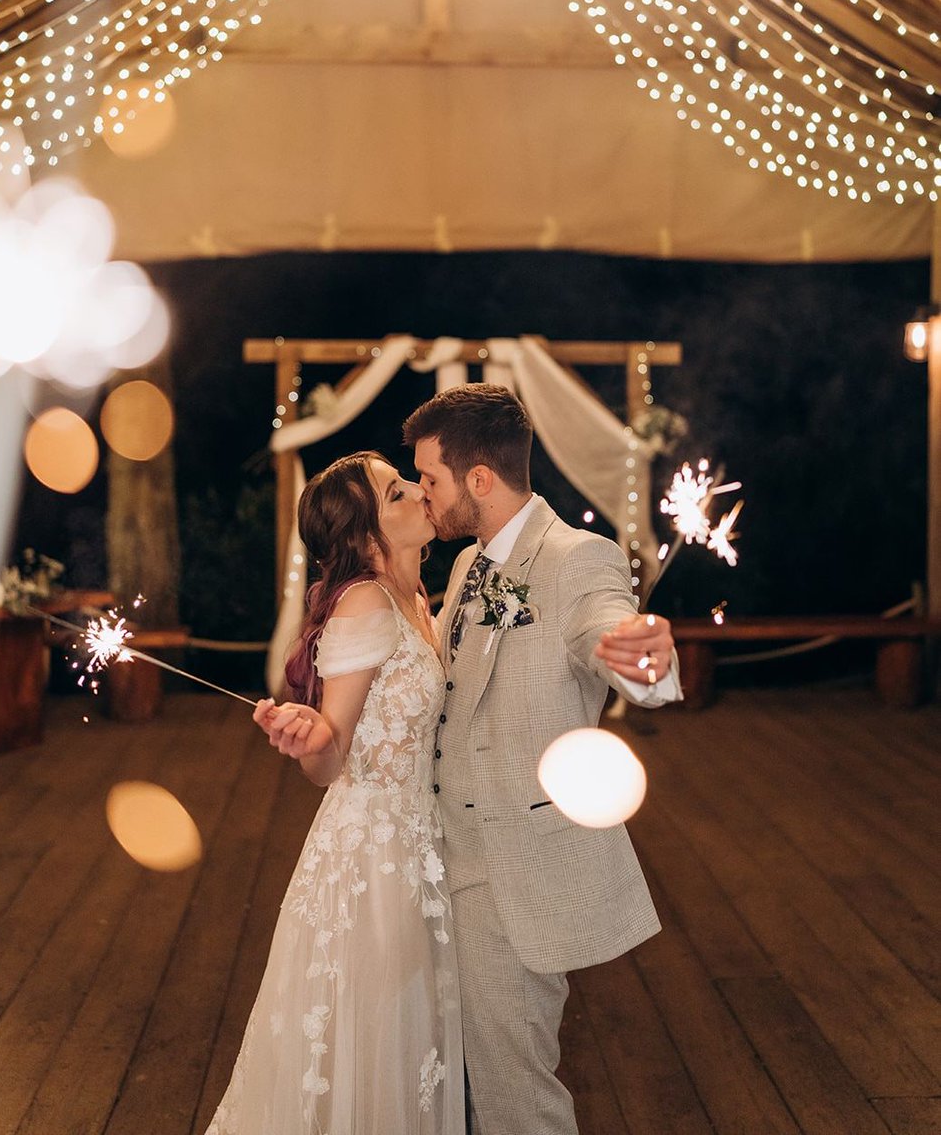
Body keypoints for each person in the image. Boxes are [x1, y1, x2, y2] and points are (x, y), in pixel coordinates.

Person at [401, 383, 682, 1135]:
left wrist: (641, 659)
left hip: (510, 863)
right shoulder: (464, 570)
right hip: (440, 859)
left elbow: (607, 626)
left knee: (512, 1086)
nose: (422, 494)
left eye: (430, 478)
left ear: (479, 480)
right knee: (461, 1068)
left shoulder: (575, 558)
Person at [205, 451, 465, 1135]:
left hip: (421, 843)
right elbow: (330, 755)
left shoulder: (417, 600)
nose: (416, 491)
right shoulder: (364, 602)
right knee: (372, 1027)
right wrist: (308, 738)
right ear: (362, 536)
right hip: (370, 863)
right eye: (395, 491)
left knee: (409, 1034)